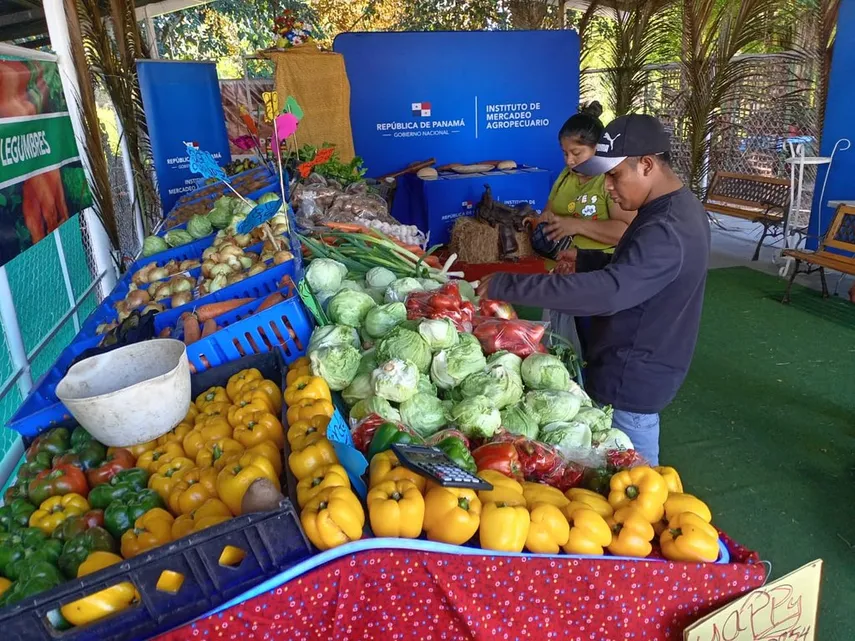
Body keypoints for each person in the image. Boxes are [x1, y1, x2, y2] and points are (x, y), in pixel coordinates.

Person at [478, 114, 711, 465]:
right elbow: (638, 271)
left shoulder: (666, 227)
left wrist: (507, 284)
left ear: (646, 165)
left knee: (634, 487)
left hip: (632, 378)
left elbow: (610, 292)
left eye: (615, 175)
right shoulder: (676, 207)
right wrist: (585, 259)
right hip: (635, 362)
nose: (607, 187)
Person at [538, 102, 636, 359]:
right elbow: (549, 211)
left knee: (592, 349)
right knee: (559, 349)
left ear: (597, 149)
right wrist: (544, 219)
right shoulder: (565, 176)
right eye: (564, 153)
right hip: (560, 273)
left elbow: (626, 232)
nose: (569, 160)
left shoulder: (609, 180)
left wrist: (577, 225)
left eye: (577, 153)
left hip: (596, 277)